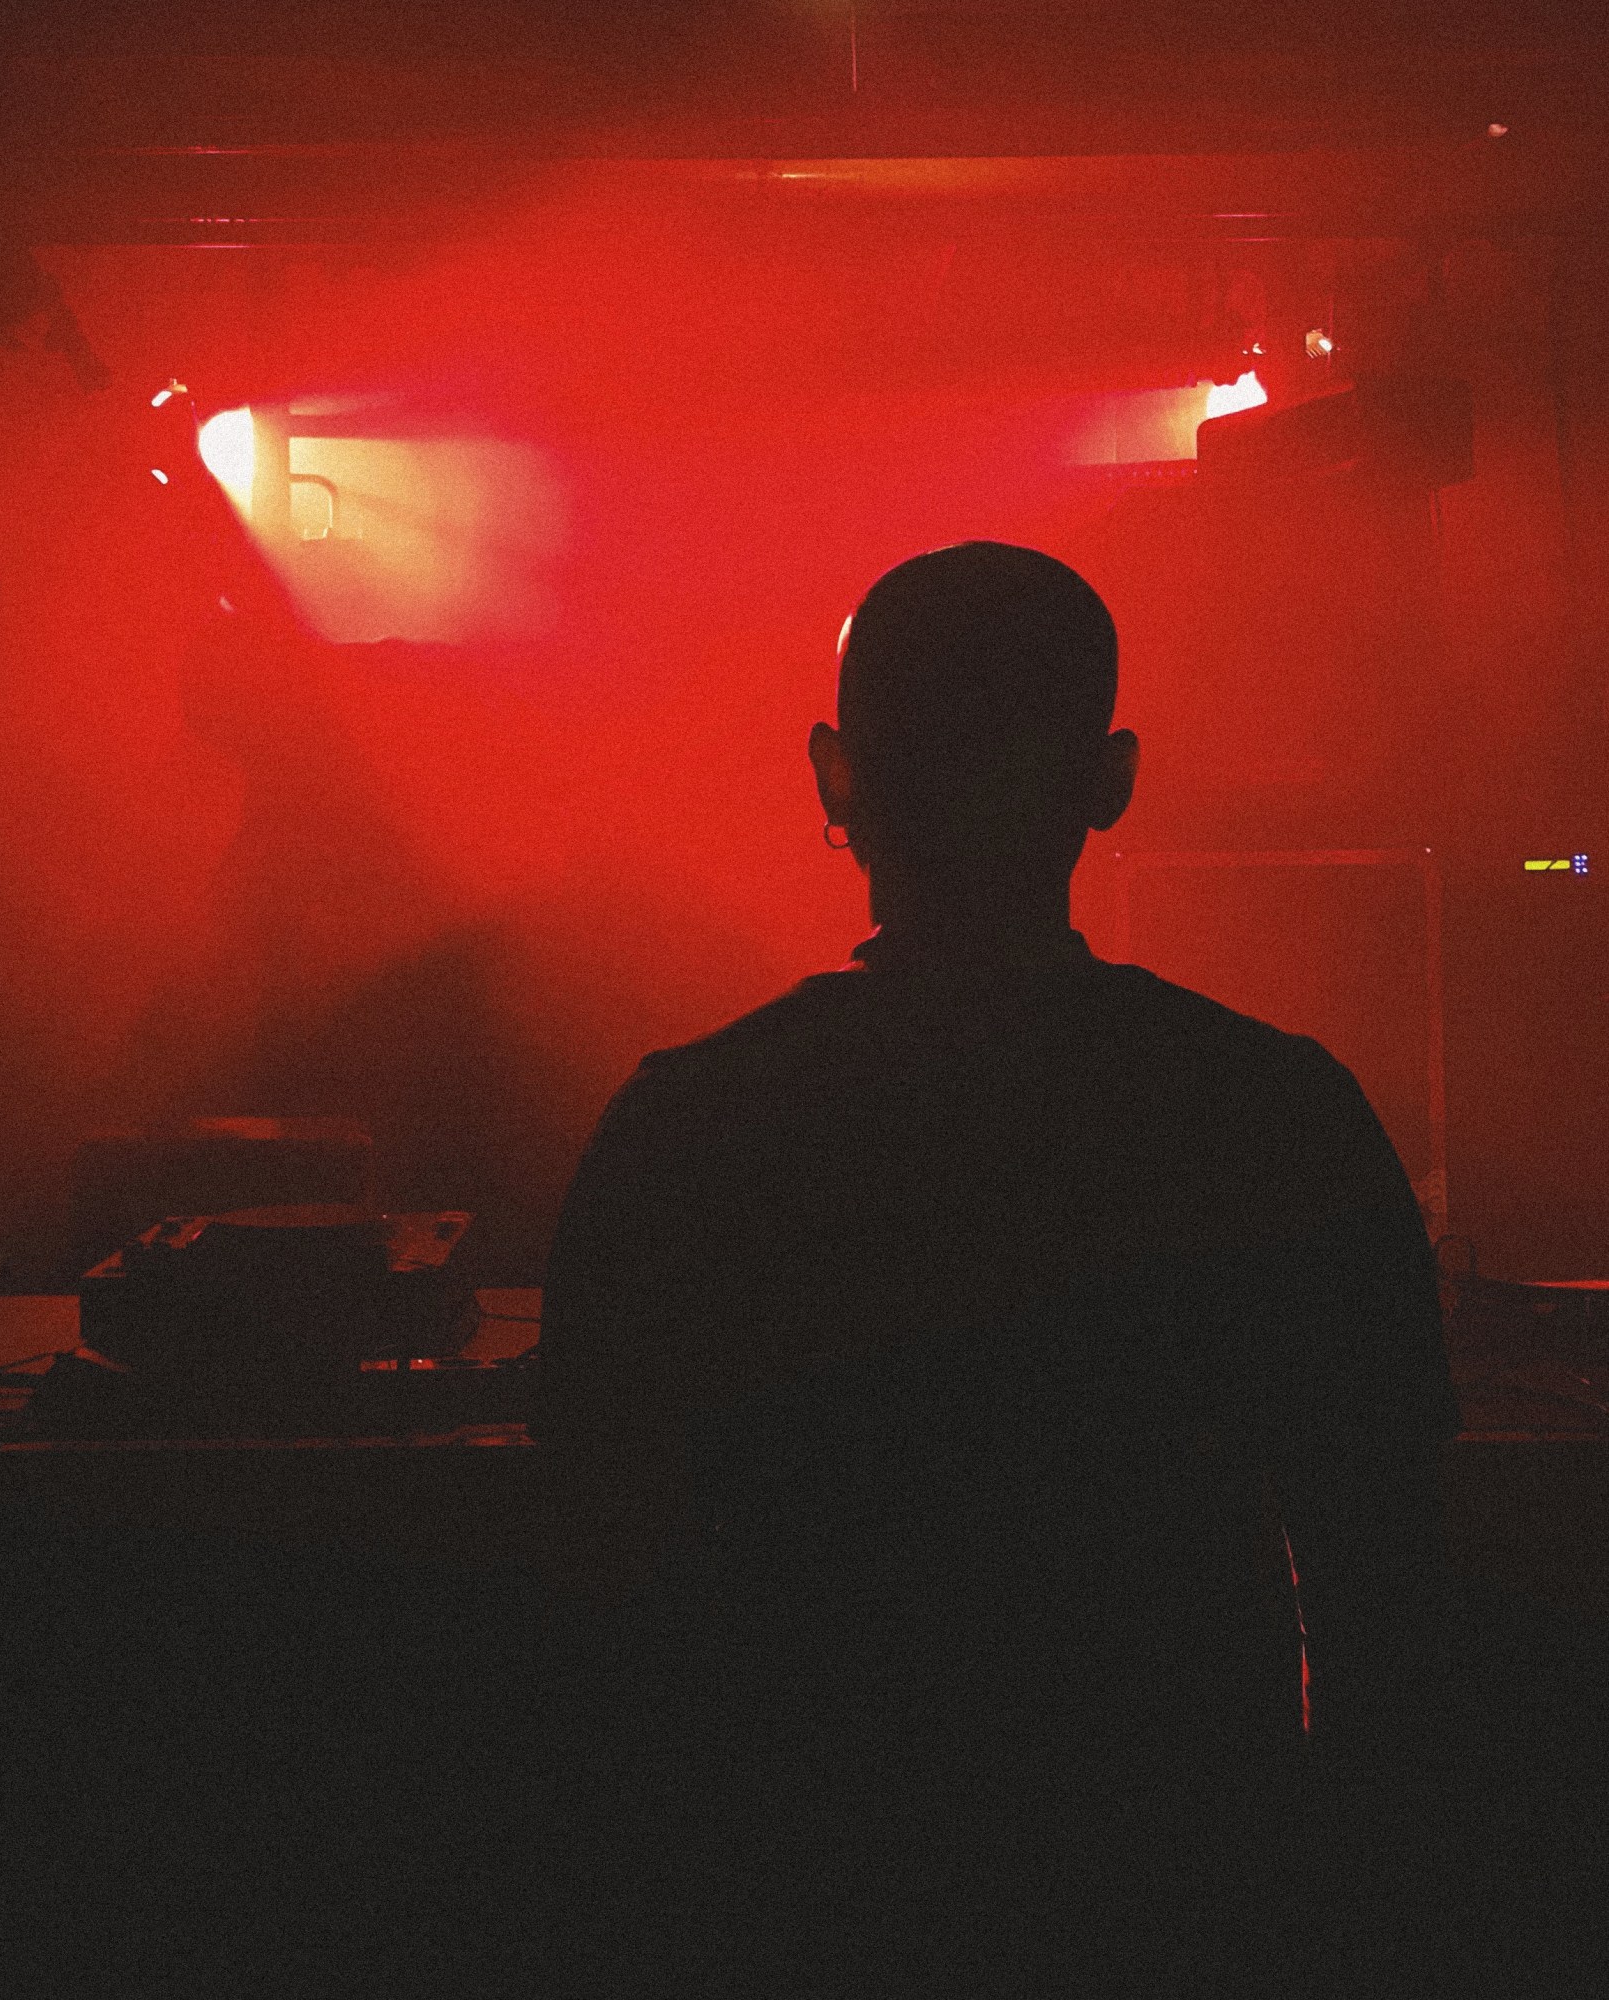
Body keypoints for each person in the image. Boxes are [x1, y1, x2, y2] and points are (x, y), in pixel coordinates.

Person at [533, 542, 1463, 1996]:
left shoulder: (689, 1120)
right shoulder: (1268, 1108)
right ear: (1109, 781)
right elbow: (1389, 1554)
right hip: (1167, 1884)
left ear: (838, 777)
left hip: (793, 1890)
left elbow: (597, 1567)